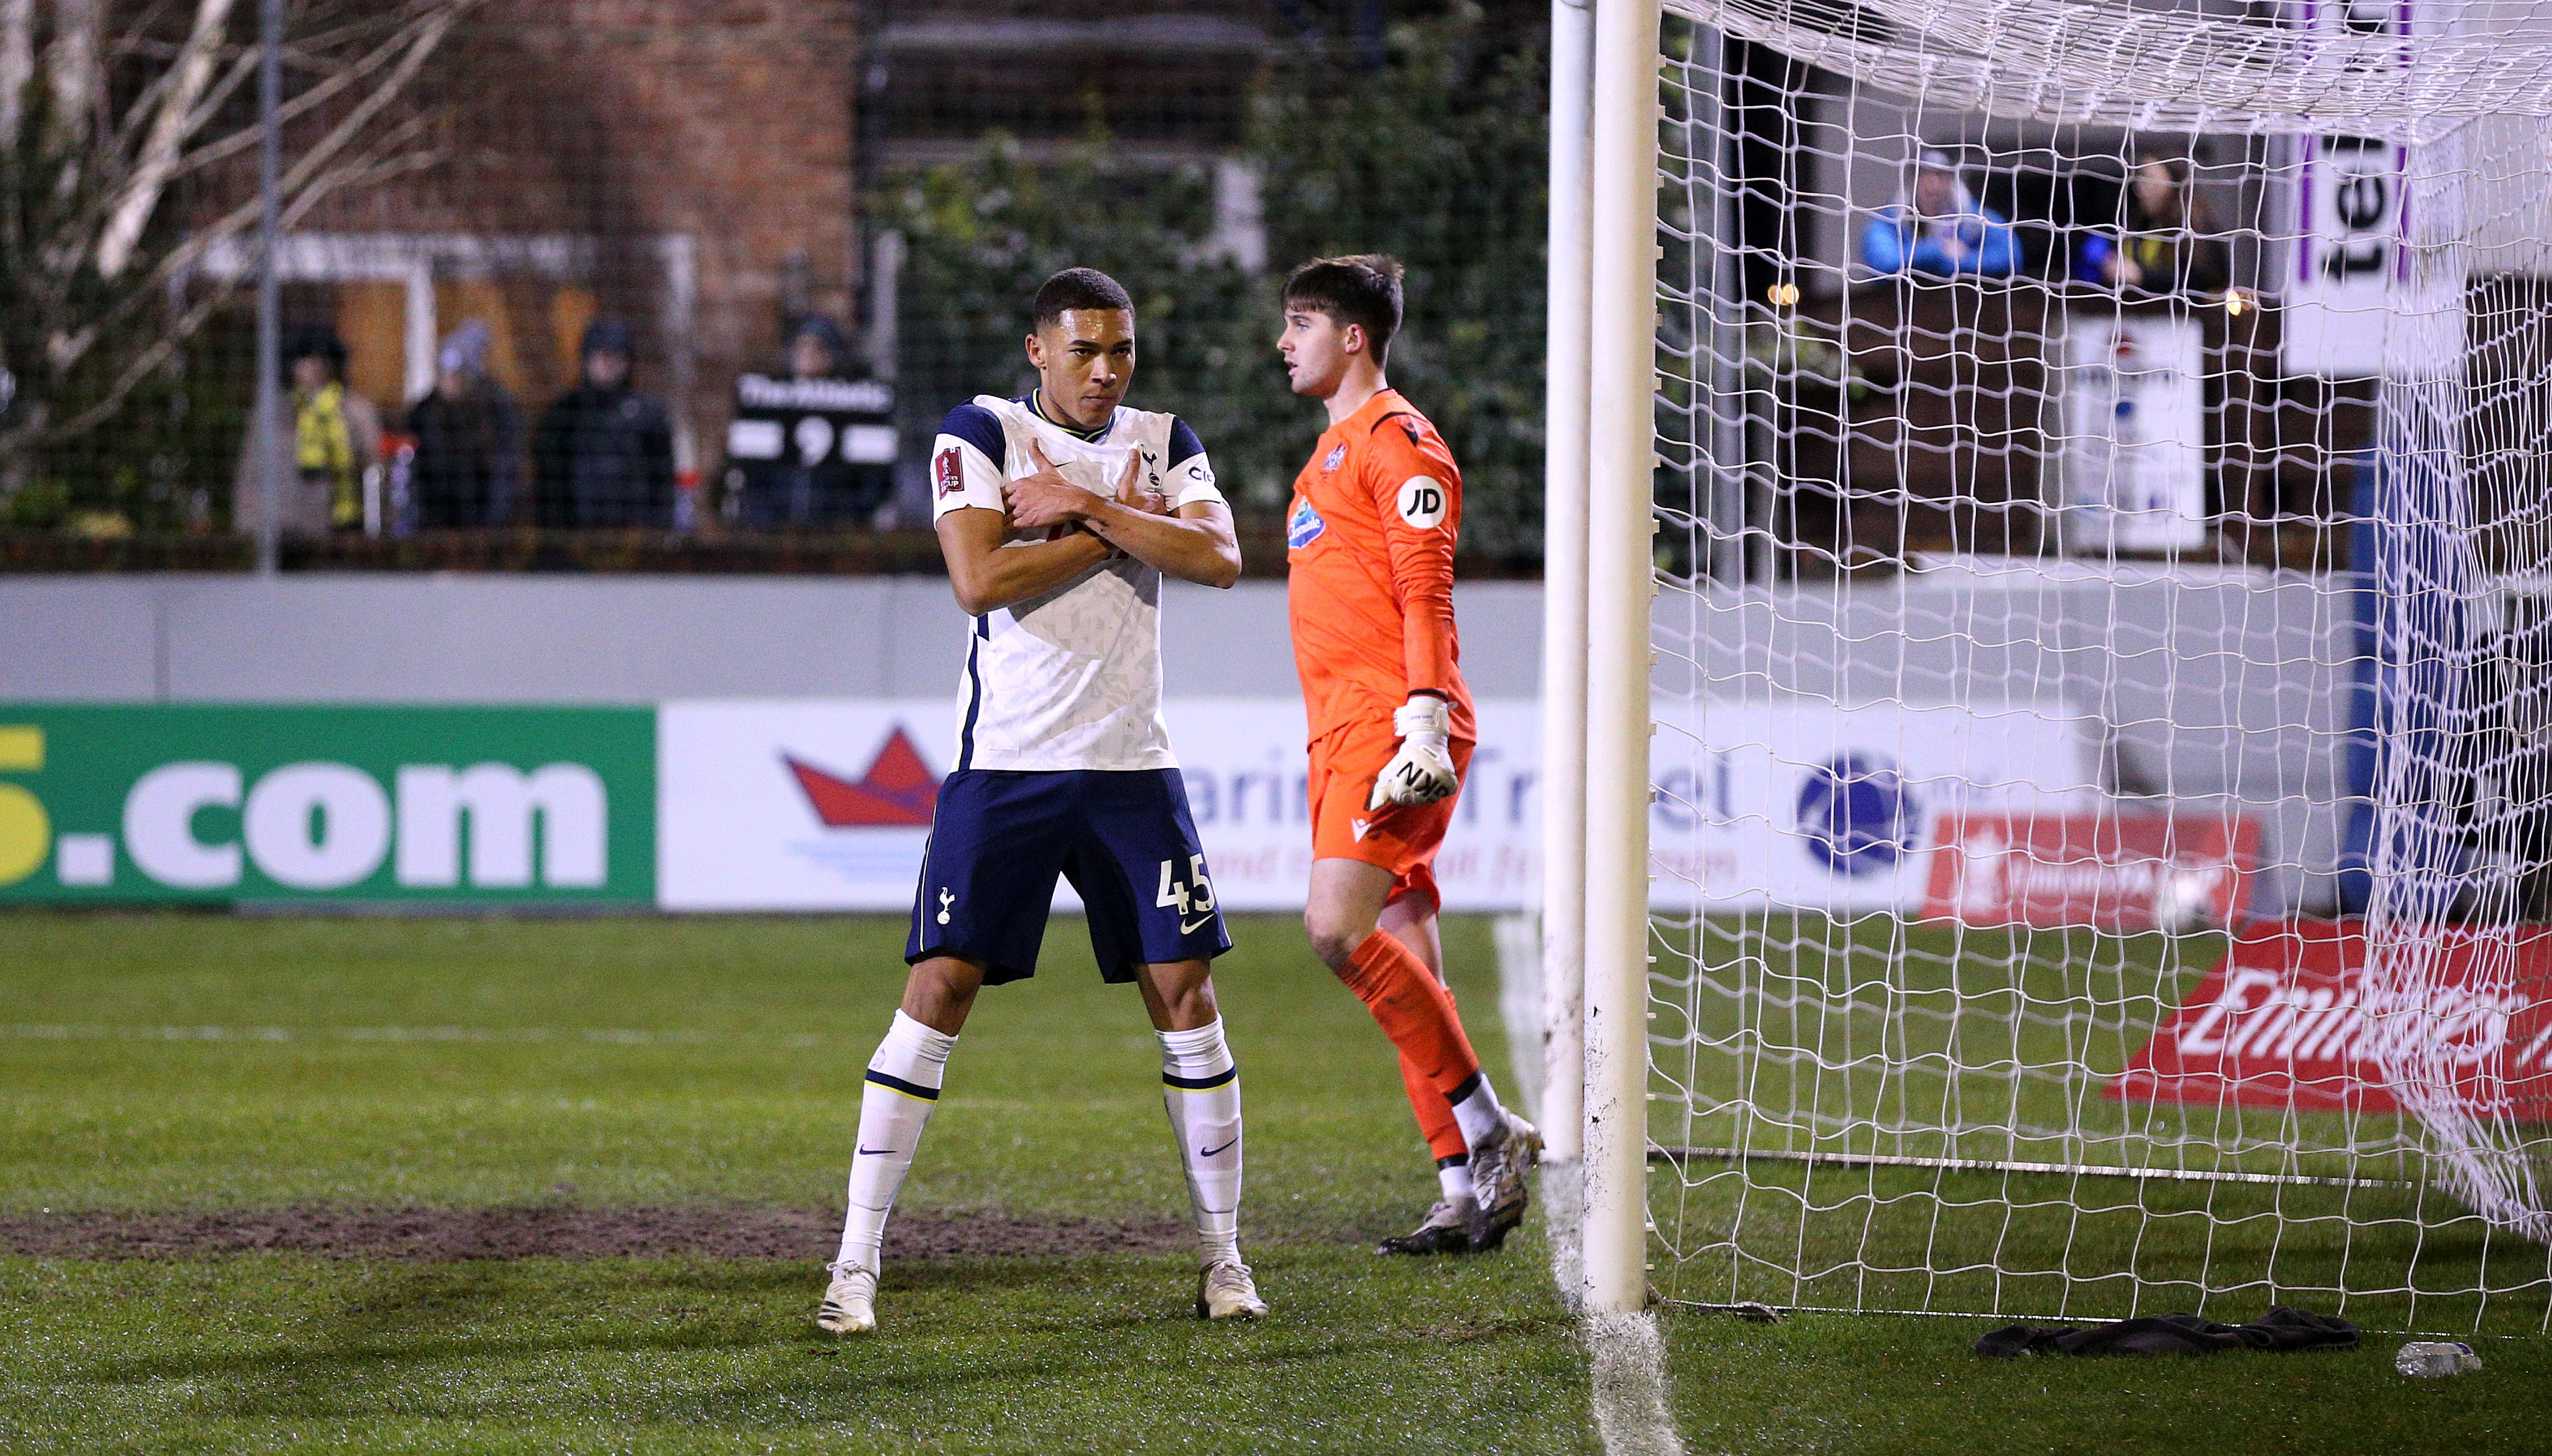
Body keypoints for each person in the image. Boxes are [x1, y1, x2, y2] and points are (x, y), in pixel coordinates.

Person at [816, 266, 1259, 1335]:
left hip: (1130, 770)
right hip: (1006, 765)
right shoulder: (978, 429)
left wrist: (1086, 504)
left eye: (1120, 352)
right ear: (1037, 352)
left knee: (1185, 995)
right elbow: (979, 580)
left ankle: (1224, 1263)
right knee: (940, 988)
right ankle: (854, 1264)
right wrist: (1116, 525)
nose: (1106, 372)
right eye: (1085, 351)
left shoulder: (1165, 436)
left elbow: (1220, 557)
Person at [1274, 254, 1541, 1257]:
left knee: (1336, 931)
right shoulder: (1329, 454)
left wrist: (1422, 721)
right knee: (1408, 965)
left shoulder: (1399, 441)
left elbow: (1427, 590)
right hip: (1346, 727)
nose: (1284, 342)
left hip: (1393, 726)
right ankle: (1462, 1188)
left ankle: (1490, 1131)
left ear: (1353, 336)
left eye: (1301, 323)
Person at [233, 324, 382, 537]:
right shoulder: (272, 411)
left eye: (321, 359)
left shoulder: (355, 410)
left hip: (339, 527)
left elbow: (373, 468)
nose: (314, 367)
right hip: (279, 528)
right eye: (306, 359)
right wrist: (247, 525)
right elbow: (251, 471)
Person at [533, 319, 677, 528]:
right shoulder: (565, 413)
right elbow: (549, 480)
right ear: (587, 360)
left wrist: (658, 526)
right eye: (602, 356)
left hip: (635, 533)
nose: (609, 365)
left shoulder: (647, 414)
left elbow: (662, 477)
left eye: (616, 357)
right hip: (577, 533)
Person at [407, 321, 523, 529]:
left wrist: (494, 524)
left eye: (457, 375)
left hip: (481, 522)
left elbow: (505, 468)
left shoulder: (495, 409)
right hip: (434, 523)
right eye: (444, 374)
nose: (449, 382)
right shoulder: (425, 414)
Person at [2077, 151, 2231, 298]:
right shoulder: (2140, 224)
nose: (2141, 189)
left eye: (2149, 178)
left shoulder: (2195, 226)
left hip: (2190, 320)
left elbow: (2206, 279)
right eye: (2140, 179)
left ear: (2173, 182)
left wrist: (2142, 276)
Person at [1861, 149, 2018, 279]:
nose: (1933, 184)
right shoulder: (1892, 219)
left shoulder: (1974, 219)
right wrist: (1938, 250)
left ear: (1951, 180)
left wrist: (1963, 260)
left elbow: (2011, 257)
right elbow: (1881, 262)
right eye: (1925, 175)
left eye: (1940, 175)